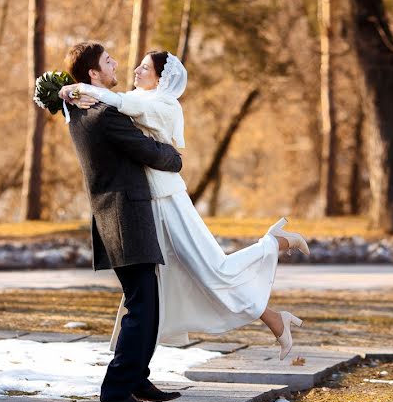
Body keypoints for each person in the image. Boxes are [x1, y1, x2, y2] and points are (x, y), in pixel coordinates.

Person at [61, 50, 309, 362]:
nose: (135, 69)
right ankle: (272, 318)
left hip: (167, 198)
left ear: (162, 78)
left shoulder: (161, 103)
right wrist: (69, 93)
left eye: (145, 67)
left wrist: (76, 88)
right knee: (176, 278)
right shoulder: (139, 98)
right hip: (149, 201)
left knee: (211, 268)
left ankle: (272, 244)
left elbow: (120, 103)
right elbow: (110, 105)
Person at [62, 42, 184, 402]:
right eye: (108, 61)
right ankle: (116, 389)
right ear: (94, 75)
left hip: (116, 213)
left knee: (146, 302)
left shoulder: (79, 109)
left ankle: (137, 379)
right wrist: (174, 156)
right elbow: (150, 152)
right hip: (125, 215)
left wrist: (68, 89)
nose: (116, 64)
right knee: (141, 304)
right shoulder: (104, 115)